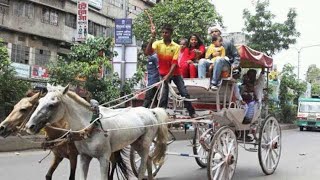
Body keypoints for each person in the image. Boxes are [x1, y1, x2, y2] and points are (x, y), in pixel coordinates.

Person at [145, 24, 197, 118]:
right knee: (163, 95)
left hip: (175, 73)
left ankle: (192, 112)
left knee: (184, 93)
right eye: (163, 32)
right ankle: (162, 115)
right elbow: (147, 53)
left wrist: (168, 76)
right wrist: (152, 37)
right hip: (163, 73)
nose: (164, 34)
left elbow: (174, 63)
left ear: (171, 34)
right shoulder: (157, 43)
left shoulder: (176, 46)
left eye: (167, 33)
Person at [198, 26, 240, 90]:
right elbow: (208, 58)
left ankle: (214, 84)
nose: (214, 33)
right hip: (213, 63)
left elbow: (236, 56)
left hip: (225, 65)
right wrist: (212, 55)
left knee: (219, 59)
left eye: (216, 31)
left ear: (220, 32)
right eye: (212, 32)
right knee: (202, 61)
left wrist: (234, 65)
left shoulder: (228, 43)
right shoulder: (210, 46)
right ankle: (202, 83)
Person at [142, 43, 160, 108]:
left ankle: (142, 111)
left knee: (148, 98)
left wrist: (159, 82)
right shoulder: (149, 58)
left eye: (145, 50)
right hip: (150, 82)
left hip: (154, 82)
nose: (144, 52)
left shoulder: (155, 57)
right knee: (155, 99)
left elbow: (159, 69)